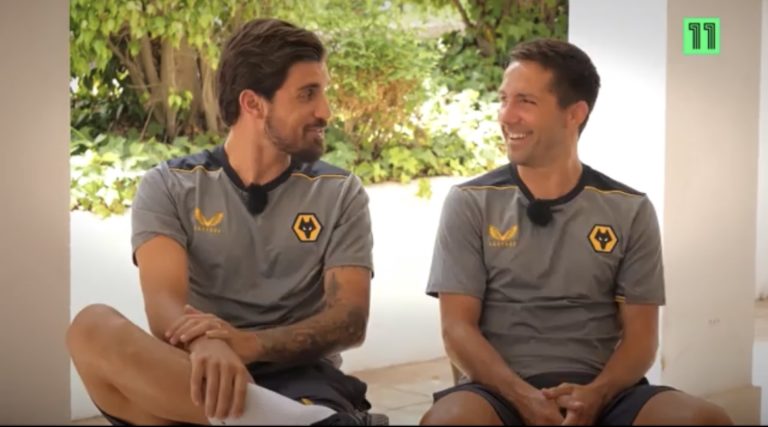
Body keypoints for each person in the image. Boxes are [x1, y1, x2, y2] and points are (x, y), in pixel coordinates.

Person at [67, 18, 378, 426]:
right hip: (196, 377)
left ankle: (283, 418)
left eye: (323, 92)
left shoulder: (339, 192)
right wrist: (205, 343)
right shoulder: (170, 186)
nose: (325, 111)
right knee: (90, 327)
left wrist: (247, 344)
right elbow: (163, 304)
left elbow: (349, 321)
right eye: (308, 94)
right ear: (253, 104)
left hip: (301, 378)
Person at [419, 38, 733, 426]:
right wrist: (523, 397)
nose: (506, 116)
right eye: (504, 99)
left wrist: (598, 394)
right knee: (448, 421)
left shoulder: (629, 209)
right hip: (497, 393)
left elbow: (641, 339)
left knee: (705, 419)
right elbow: (456, 329)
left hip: (605, 393)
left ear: (574, 114)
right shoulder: (470, 202)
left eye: (525, 101)